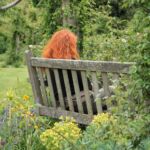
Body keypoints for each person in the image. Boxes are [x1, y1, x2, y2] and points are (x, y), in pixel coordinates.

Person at [42, 29, 92, 112]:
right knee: (110, 91)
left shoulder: (48, 62)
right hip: (77, 104)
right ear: (71, 45)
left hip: (59, 103)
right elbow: (87, 85)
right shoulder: (72, 64)